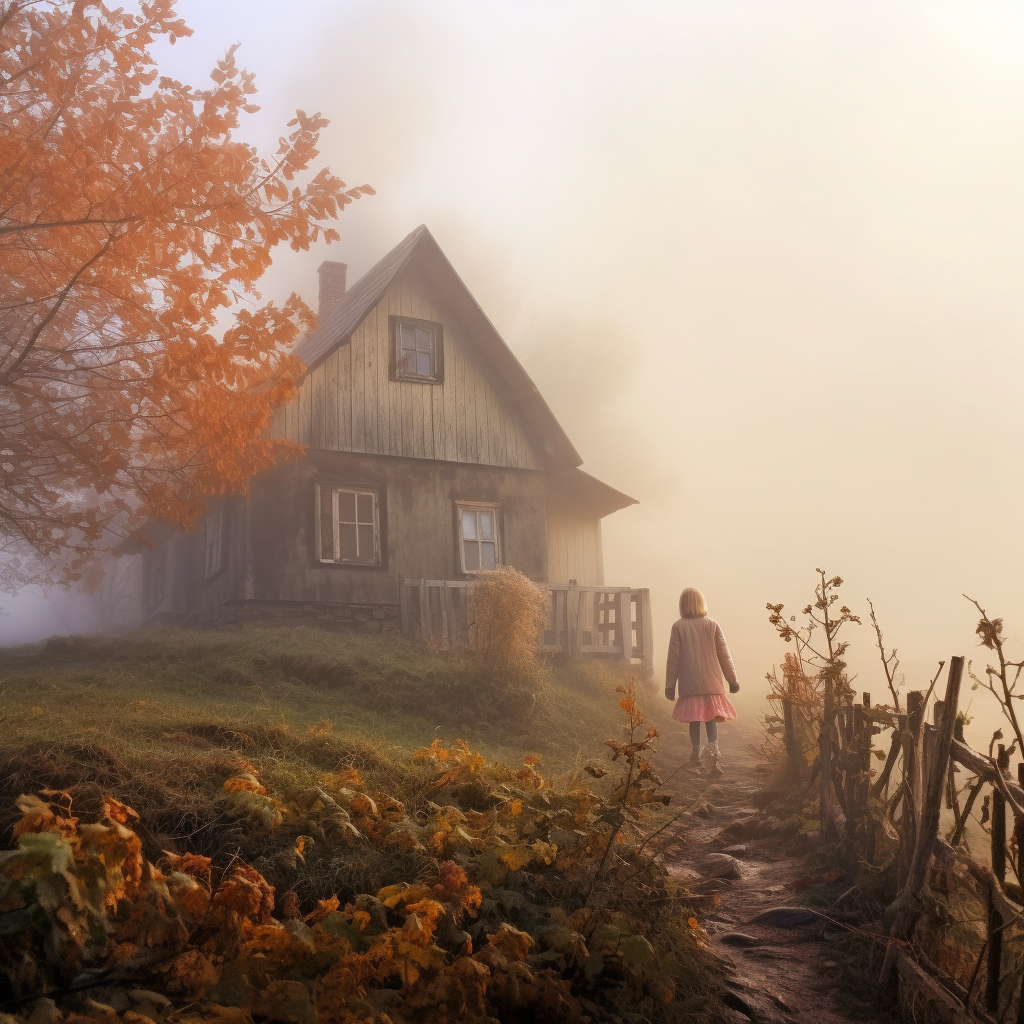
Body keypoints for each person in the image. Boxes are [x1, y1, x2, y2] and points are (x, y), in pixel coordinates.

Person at [665, 587, 739, 774]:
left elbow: (673, 658)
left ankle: (696, 753)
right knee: (710, 717)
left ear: (682, 605)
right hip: (711, 680)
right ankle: (714, 750)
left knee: (694, 719)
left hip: (689, 683)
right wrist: (732, 680)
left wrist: (670, 685)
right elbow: (724, 654)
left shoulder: (678, 627)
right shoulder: (712, 624)